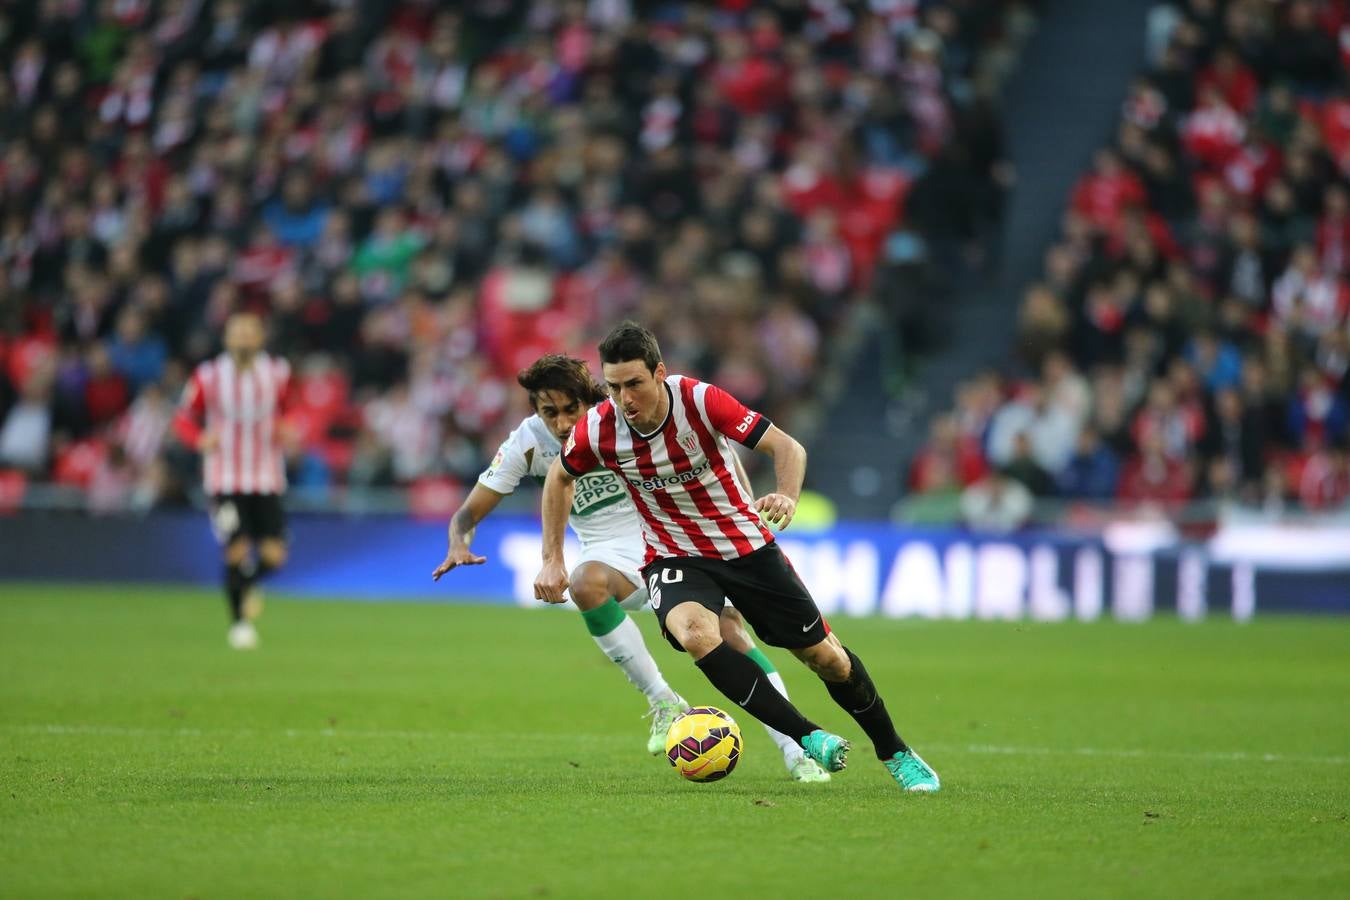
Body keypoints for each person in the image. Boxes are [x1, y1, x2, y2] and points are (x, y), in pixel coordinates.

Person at [534, 323, 940, 792]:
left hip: (744, 547)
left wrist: (787, 494)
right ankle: (807, 736)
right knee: (694, 633)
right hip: (673, 555)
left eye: (634, 384)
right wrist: (552, 558)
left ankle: (895, 751)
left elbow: (787, 446)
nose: (624, 398)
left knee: (827, 660)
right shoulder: (599, 428)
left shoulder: (701, 402)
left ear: (659, 373)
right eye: (614, 386)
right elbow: (558, 479)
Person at [435, 354, 829, 781]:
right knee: (586, 583)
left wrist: (743, 514)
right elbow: (469, 513)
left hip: (677, 538)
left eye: (572, 410)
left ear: (591, 400)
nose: (563, 423)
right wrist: (460, 542)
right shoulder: (527, 443)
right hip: (611, 552)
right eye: (550, 412)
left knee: (730, 635)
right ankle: (662, 700)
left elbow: (722, 455)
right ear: (535, 411)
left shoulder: (622, 420)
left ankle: (796, 749)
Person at [173, 312, 295, 650]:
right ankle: (239, 624)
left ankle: (249, 584)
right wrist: (198, 439)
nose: (243, 338)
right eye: (237, 332)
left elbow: (289, 410)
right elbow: (183, 418)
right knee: (237, 548)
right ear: (226, 338)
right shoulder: (208, 376)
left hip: (267, 477)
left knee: (274, 556)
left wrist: (288, 428)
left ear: (260, 338)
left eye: (249, 332)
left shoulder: (278, 372)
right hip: (224, 479)